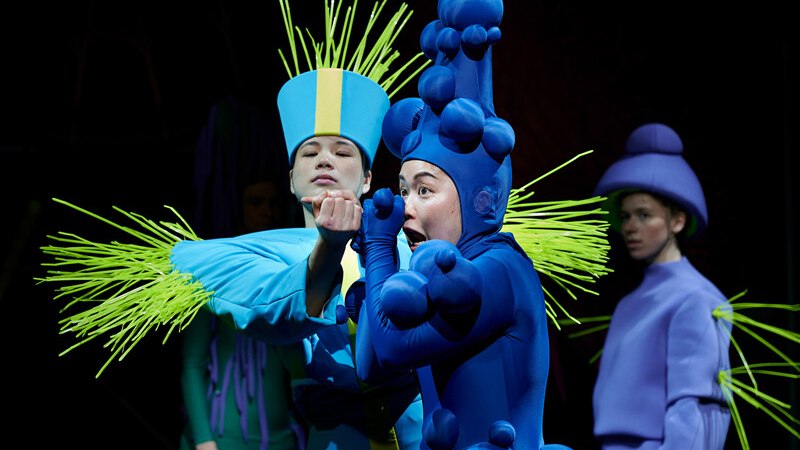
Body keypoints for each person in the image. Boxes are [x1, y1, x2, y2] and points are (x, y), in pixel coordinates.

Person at [346, 1, 573, 448]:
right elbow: (369, 366)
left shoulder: (501, 270)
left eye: (424, 190)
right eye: (404, 190)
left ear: (479, 199)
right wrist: (380, 256)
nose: (406, 208)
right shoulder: (431, 277)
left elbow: (393, 348)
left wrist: (379, 246)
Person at [591, 122, 733, 449]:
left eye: (644, 215)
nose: (630, 227)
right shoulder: (629, 304)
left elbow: (694, 411)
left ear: (677, 220)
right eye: (626, 216)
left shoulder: (696, 298)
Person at [178, 96, 304, 450]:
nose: (267, 211)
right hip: (222, 438)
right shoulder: (215, 271)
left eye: (273, 203)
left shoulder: (291, 269)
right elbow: (192, 361)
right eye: (256, 202)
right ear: (240, 206)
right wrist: (204, 439)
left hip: (281, 437)